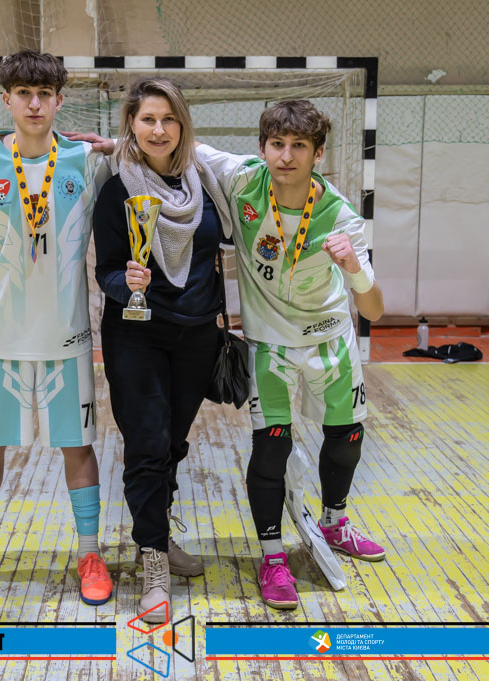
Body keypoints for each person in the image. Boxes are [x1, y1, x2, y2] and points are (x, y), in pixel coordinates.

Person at [0, 50, 113, 606]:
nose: (35, 105)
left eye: (45, 95)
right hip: (0, 338)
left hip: (66, 337)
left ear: (59, 101)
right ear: (6, 99)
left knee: (77, 445)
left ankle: (89, 552)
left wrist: (117, 145)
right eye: (24, 94)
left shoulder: (85, 161)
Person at [196, 100, 386, 610]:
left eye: (299, 146)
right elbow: (182, 145)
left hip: (330, 339)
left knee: (347, 438)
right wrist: (113, 145)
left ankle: (335, 523)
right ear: (262, 148)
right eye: (277, 144)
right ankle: (273, 556)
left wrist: (354, 269)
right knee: (271, 448)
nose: (286, 156)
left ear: (318, 154)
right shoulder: (243, 179)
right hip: (270, 345)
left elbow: (374, 308)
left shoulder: (341, 217)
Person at [92, 77, 234, 622]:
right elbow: (106, 269)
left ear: (182, 125)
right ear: (131, 123)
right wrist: (122, 283)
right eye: (147, 119)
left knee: (172, 444)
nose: (158, 129)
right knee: (148, 445)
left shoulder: (206, 182)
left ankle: (157, 536)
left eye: (168, 119)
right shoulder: (117, 189)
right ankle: (152, 558)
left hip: (197, 335)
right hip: (137, 335)